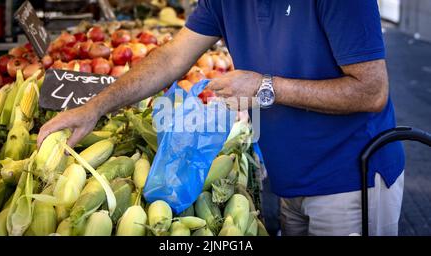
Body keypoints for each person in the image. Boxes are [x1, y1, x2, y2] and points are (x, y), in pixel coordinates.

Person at [38, 0, 405, 236]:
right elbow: (170, 58)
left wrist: (266, 87)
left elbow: (371, 91)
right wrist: (95, 107)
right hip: (289, 183)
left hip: (349, 182)